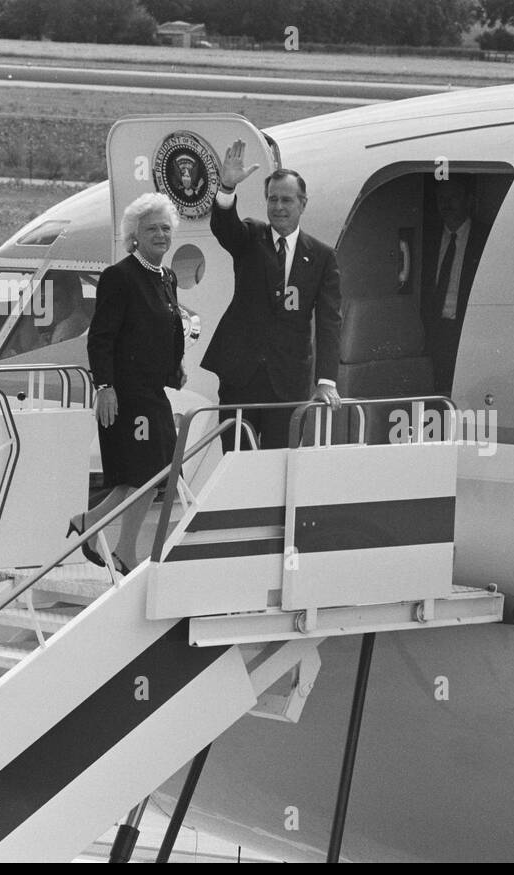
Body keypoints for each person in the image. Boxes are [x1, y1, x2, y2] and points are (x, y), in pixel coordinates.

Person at [69, 193, 186, 574]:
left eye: (166, 228)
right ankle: (123, 550)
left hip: (153, 392)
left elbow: (163, 331)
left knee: (149, 473)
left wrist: (175, 367)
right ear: (134, 235)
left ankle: (89, 524)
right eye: (151, 228)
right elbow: (100, 337)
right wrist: (105, 387)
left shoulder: (165, 276)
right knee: (145, 473)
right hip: (127, 395)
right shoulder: (120, 276)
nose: (160, 234)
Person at [200, 139, 342, 450]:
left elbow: (330, 322)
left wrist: (326, 381)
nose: (278, 207)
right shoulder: (251, 237)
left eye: (287, 200)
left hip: (288, 381)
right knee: (237, 463)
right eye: (273, 199)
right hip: (241, 377)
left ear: (302, 204)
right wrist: (226, 187)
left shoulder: (321, 257)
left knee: (280, 467)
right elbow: (224, 227)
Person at [421, 175, 490, 393]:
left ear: (469, 201)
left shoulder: (484, 237)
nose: (447, 204)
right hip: (433, 328)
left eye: (454, 197)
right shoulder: (427, 237)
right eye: (442, 198)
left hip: (465, 328)